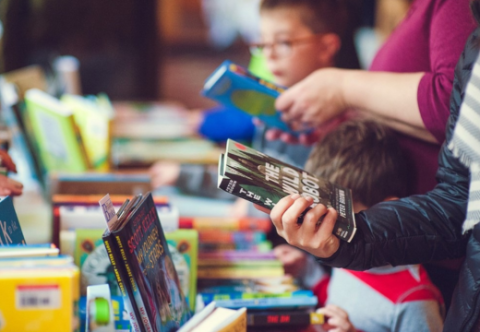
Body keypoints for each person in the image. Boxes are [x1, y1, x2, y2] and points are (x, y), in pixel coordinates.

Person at [255, 2, 480, 329]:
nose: (269, 55)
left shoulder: (414, 300)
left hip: (429, 248)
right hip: (403, 234)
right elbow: (339, 297)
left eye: (284, 42)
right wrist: (335, 250)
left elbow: (452, 116)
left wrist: (343, 89)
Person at [150, 0, 359, 199]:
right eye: (262, 43)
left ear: (326, 47)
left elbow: (310, 197)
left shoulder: (345, 127)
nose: (269, 54)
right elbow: (255, 181)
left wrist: (188, 176)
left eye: (284, 42)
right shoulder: (274, 107)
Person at [274, 119, 444, 332]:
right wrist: (308, 272)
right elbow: (340, 303)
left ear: (388, 212)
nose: (324, 230)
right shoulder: (344, 253)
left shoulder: (414, 301)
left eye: (336, 220)